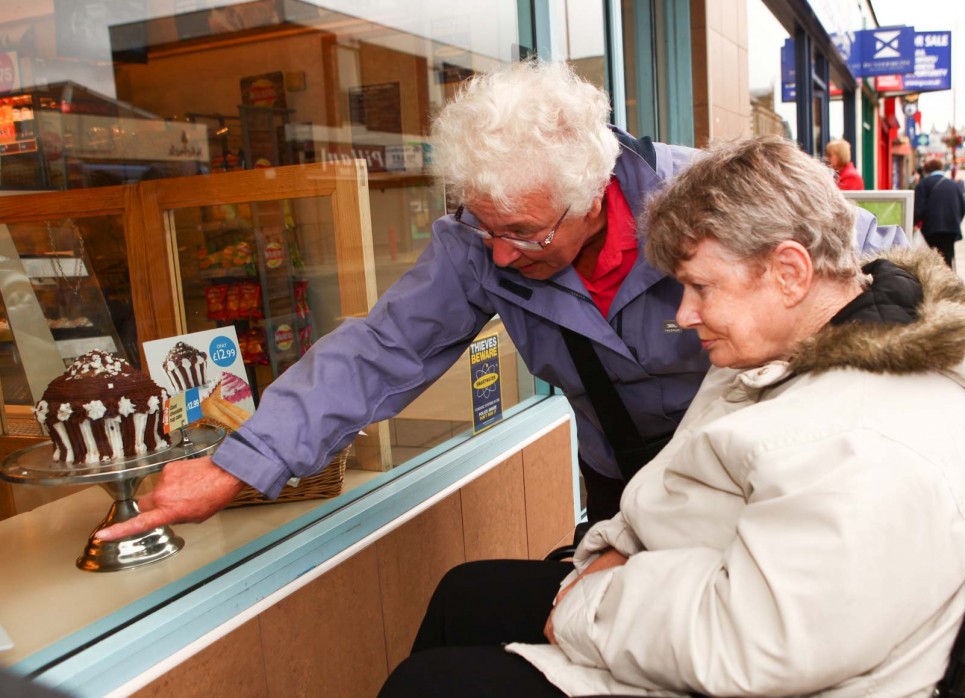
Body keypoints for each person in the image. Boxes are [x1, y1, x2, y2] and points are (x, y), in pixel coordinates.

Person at [95, 62, 906, 542]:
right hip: (625, 484)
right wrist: (241, 462)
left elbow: (872, 268)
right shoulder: (479, 242)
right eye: (484, 227)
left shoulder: (700, 199)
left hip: (754, 482)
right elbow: (383, 350)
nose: (498, 255)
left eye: (521, 230)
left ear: (592, 195)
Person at [377, 136, 965, 698]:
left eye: (701, 287)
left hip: (738, 667)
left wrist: (589, 601)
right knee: (464, 595)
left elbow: (749, 642)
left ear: (790, 271)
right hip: (691, 592)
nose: (683, 315)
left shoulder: (864, 441)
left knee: (427, 686)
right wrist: (617, 552)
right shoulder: (787, 351)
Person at [914, 158, 965, 268]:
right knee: (947, 258)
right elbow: (963, 206)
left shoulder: (924, 184)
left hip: (931, 228)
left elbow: (918, 208)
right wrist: (956, 220)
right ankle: (949, 282)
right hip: (951, 228)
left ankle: (937, 282)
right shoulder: (953, 184)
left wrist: (913, 223)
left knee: (933, 259)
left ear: (927, 171)